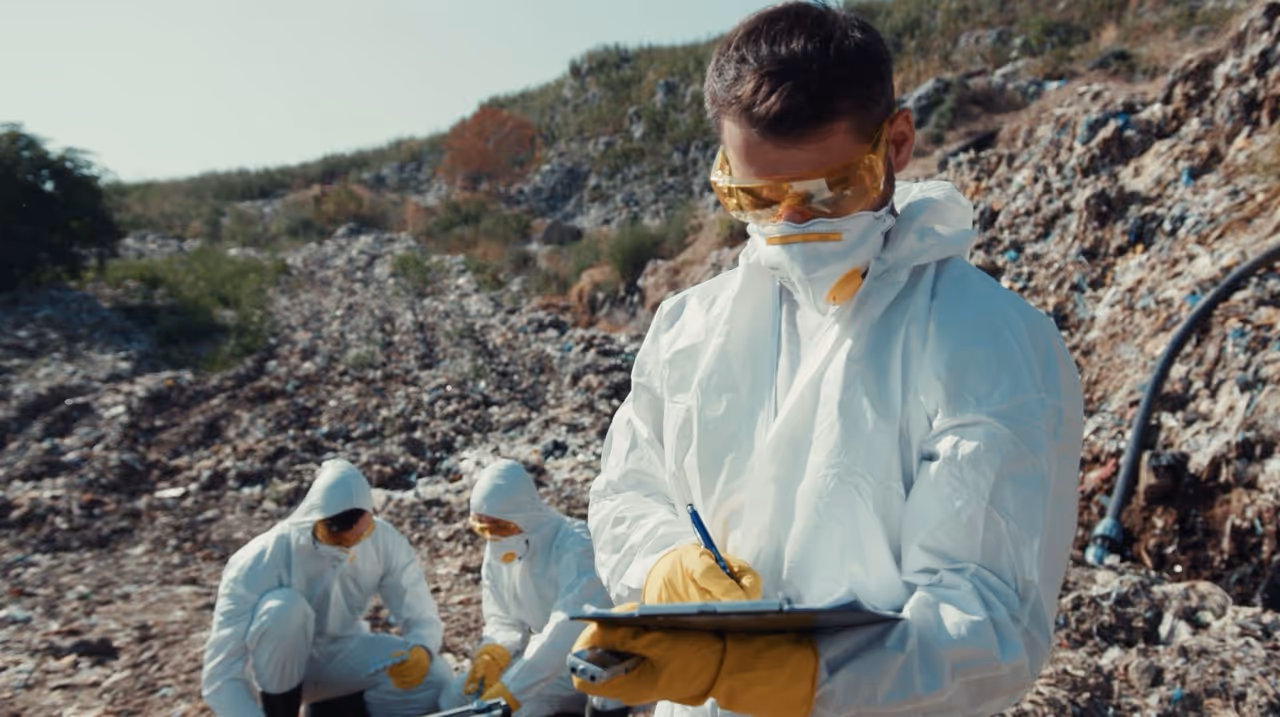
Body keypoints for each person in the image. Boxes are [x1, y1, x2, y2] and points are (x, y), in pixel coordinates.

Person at [571, 2, 1085, 716]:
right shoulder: (689, 326)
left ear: (897, 142)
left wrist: (790, 674)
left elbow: (989, 622)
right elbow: (628, 489)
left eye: (827, 191)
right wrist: (662, 566)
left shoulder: (985, 338)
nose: (790, 223)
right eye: (756, 195)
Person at [201, 458, 452, 717]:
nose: (347, 547)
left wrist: (422, 647)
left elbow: (420, 614)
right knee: (285, 610)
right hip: (273, 674)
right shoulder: (259, 559)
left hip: (342, 654)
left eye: (359, 536)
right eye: (336, 537)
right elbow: (220, 676)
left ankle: (334, 711)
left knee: (435, 678)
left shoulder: (384, 541)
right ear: (313, 519)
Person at [441, 459, 629, 717]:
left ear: (523, 514)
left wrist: (511, 690)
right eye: (482, 527)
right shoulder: (499, 547)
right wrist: (494, 653)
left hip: (588, 663)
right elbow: (503, 619)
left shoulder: (576, 544)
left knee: (519, 709)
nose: (491, 536)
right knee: (455, 696)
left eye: (498, 526)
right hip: (541, 662)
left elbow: (566, 628)